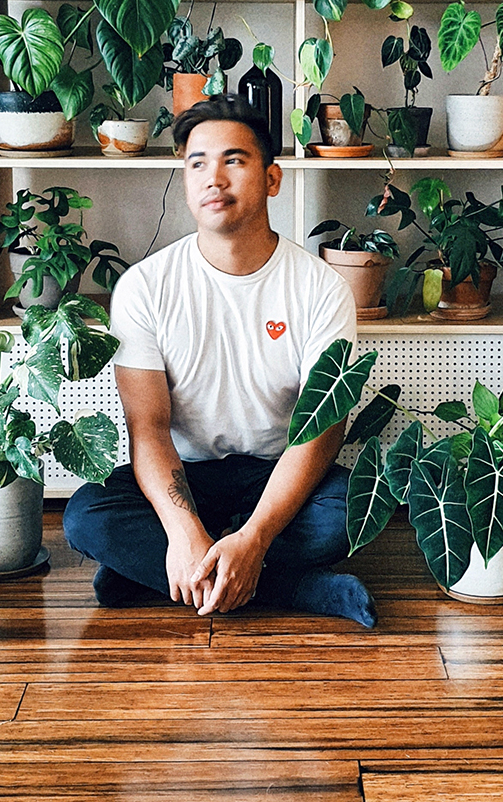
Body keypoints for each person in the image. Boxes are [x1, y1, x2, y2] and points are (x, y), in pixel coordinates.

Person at [63, 95, 376, 627]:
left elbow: (322, 428)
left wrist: (254, 537)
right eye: (197, 163)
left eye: (234, 160)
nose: (214, 177)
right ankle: (288, 585)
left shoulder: (320, 288)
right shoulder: (144, 287)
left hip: (276, 476)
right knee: (85, 516)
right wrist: (184, 532)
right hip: (188, 478)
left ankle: (163, 574)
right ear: (184, 180)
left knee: (351, 508)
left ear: (272, 179)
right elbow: (149, 428)